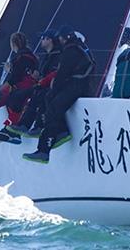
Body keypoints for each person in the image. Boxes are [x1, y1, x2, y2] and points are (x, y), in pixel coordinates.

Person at [23, 26, 94, 164]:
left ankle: (44, 150)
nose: (59, 40)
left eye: (60, 37)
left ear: (66, 37)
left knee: (52, 107)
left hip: (77, 85)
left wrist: (54, 89)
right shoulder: (80, 47)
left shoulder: (71, 50)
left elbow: (63, 73)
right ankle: (61, 131)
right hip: (83, 85)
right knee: (51, 101)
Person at [6, 29, 62, 139]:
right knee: (32, 94)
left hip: (51, 86)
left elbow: (55, 73)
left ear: (49, 40)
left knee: (35, 95)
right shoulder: (48, 56)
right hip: (42, 84)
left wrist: (41, 80)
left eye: (43, 38)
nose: (40, 41)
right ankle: (24, 125)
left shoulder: (56, 55)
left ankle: (31, 126)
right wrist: (37, 77)